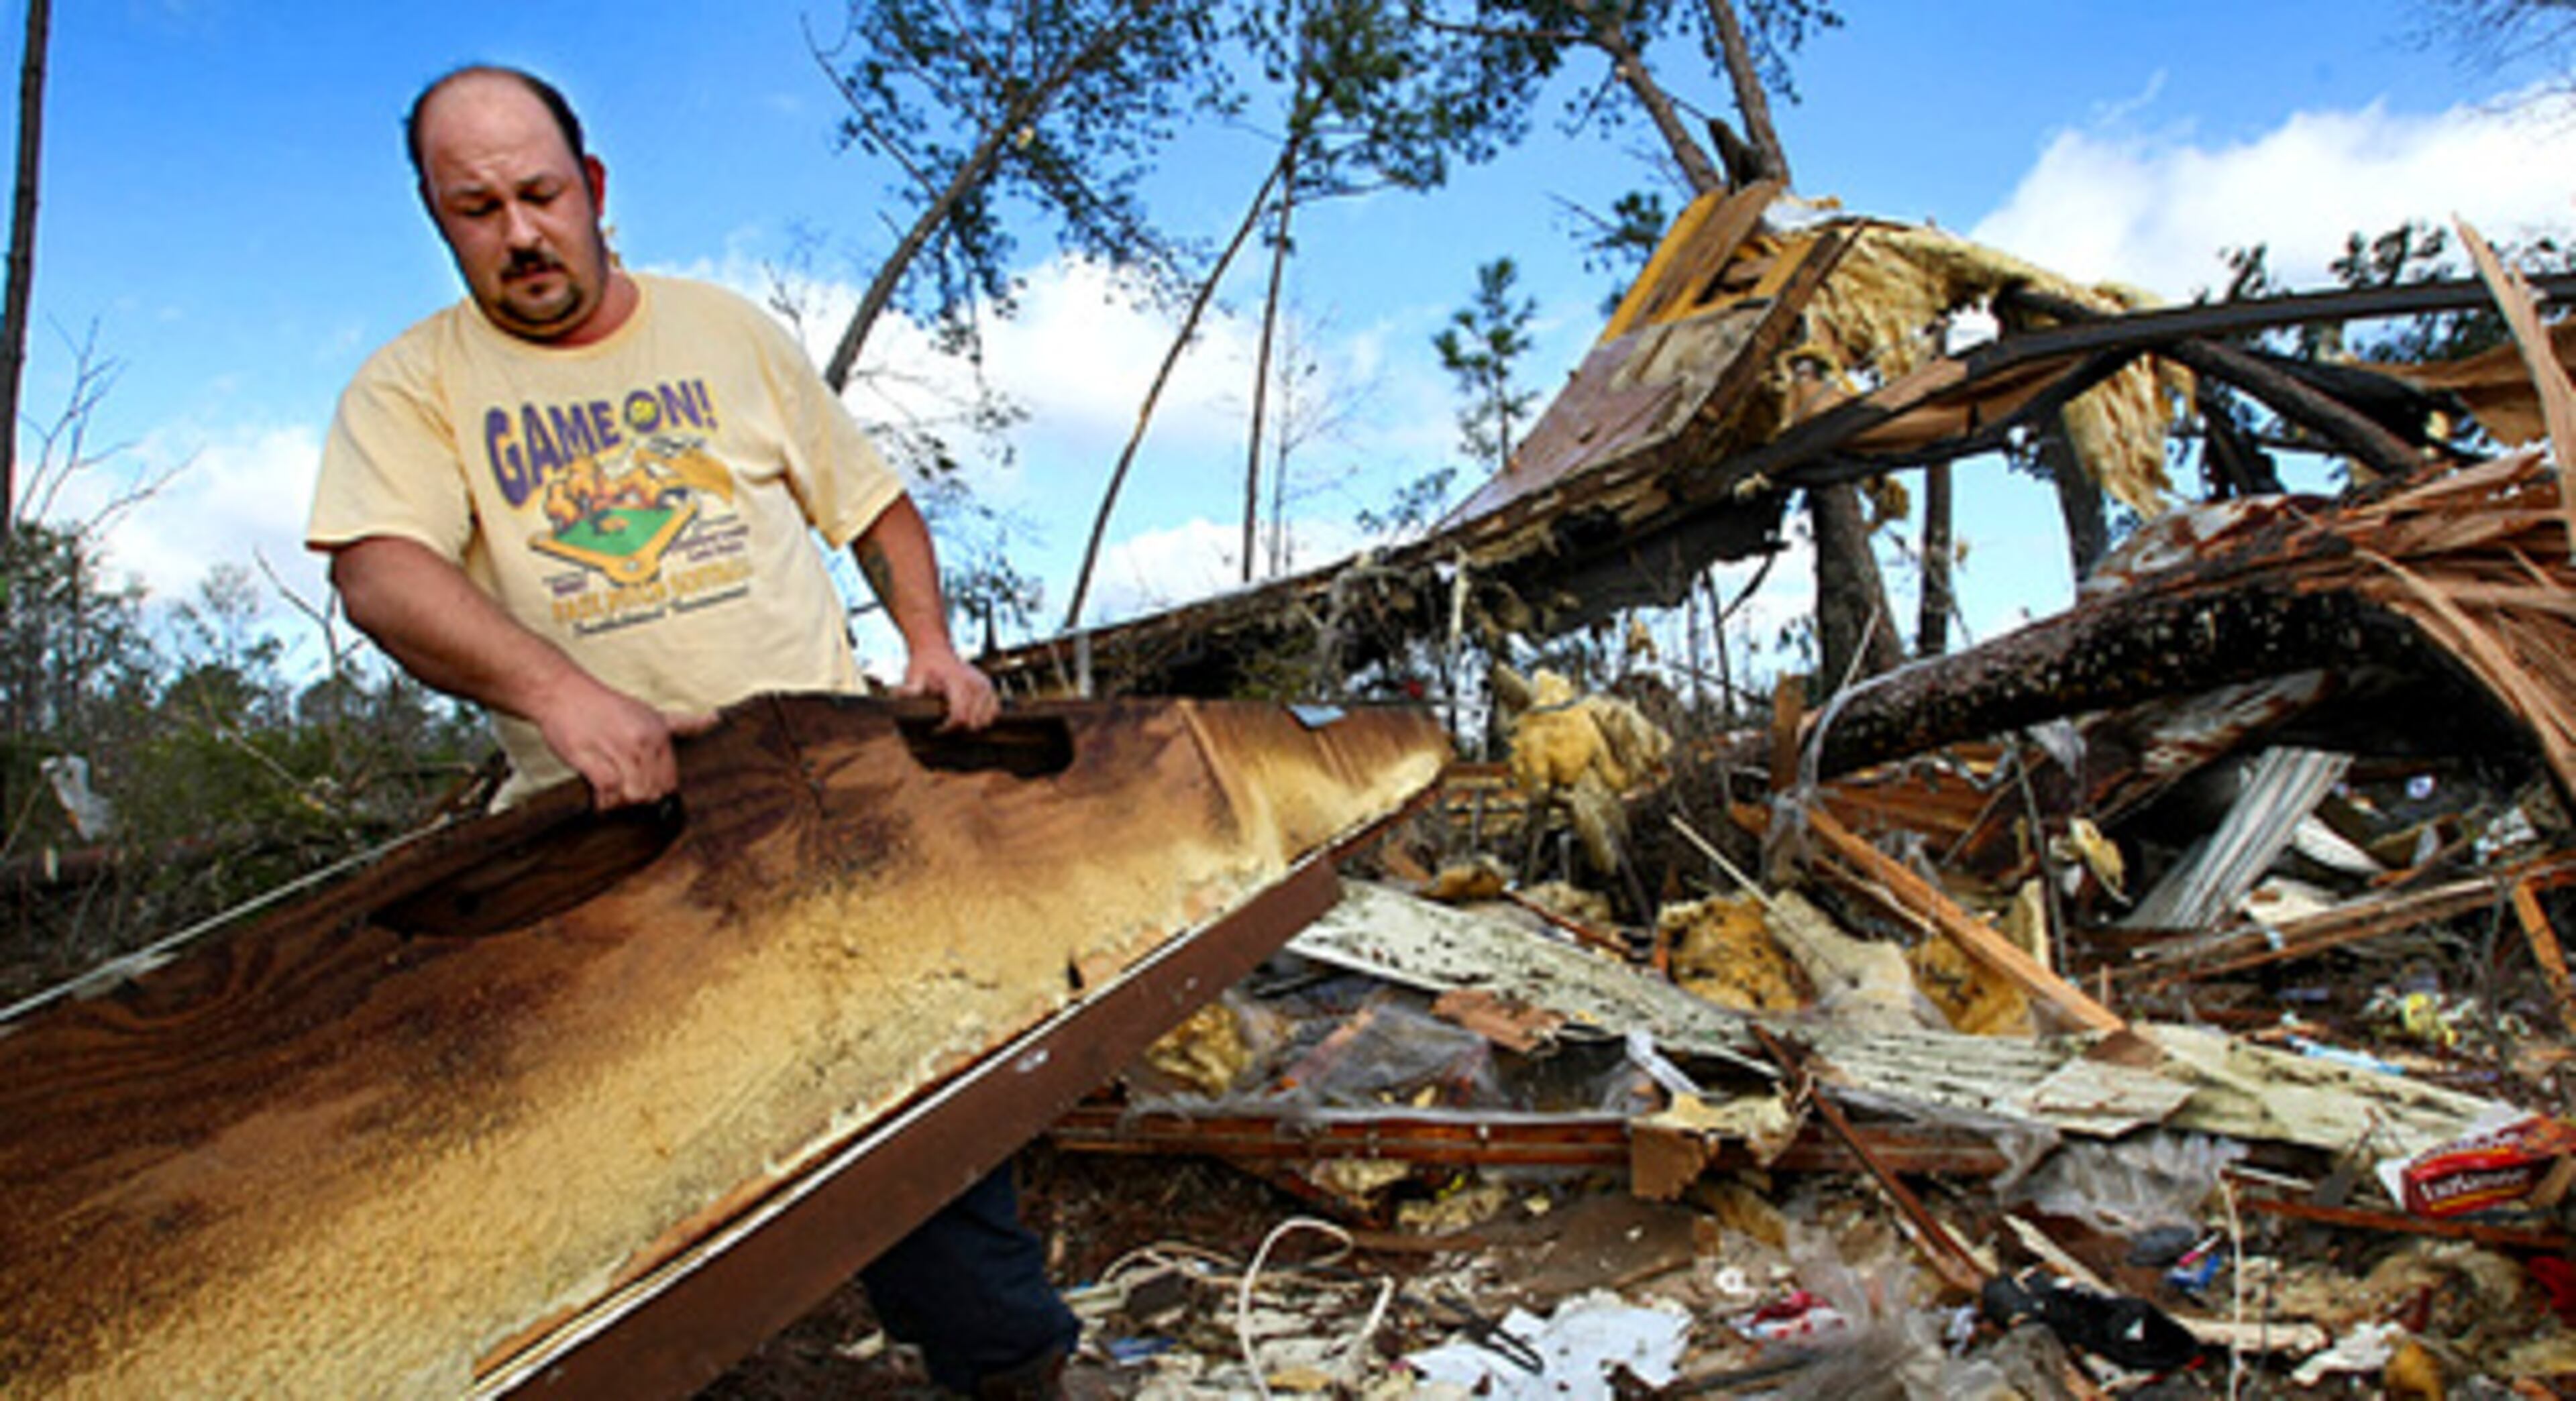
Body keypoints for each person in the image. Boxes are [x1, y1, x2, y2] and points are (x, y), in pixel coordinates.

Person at [306, 64, 1080, 1398]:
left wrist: (933, 645)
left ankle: (1014, 1373)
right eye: (477, 209)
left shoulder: (726, 334)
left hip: (829, 810)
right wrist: (562, 697)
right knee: (614, 1169)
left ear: (594, 189)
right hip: (611, 847)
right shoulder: (414, 387)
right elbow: (378, 572)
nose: (521, 234)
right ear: (439, 222)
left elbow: (877, 507)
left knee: (918, 1128)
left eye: (541, 195)